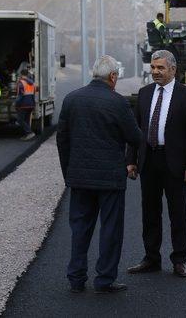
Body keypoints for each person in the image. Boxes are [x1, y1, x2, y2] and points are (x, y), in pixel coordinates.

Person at [56, 55, 141, 294]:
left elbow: (62, 140)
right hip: (110, 180)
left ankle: (76, 278)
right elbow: (134, 138)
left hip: (80, 178)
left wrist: (69, 173)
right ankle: (104, 280)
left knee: (80, 229)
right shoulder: (118, 103)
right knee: (110, 230)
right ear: (113, 76)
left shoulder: (72, 99)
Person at [126, 49, 186, 278]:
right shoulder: (144, 93)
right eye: (153, 67)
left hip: (175, 163)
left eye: (161, 68)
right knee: (150, 212)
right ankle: (151, 258)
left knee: (177, 213)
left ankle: (179, 259)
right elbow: (135, 131)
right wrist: (131, 160)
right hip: (149, 160)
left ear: (173, 69)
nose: (156, 72)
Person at [15, 69, 35, 141]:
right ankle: (27, 135)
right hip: (31, 104)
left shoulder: (21, 83)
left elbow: (20, 95)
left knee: (20, 120)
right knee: (26, 120)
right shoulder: (32, 83)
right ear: (27, 74)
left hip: (23, 104)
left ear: (21, 74)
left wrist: (16, 104)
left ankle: (29, 133)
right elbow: (34, 92)